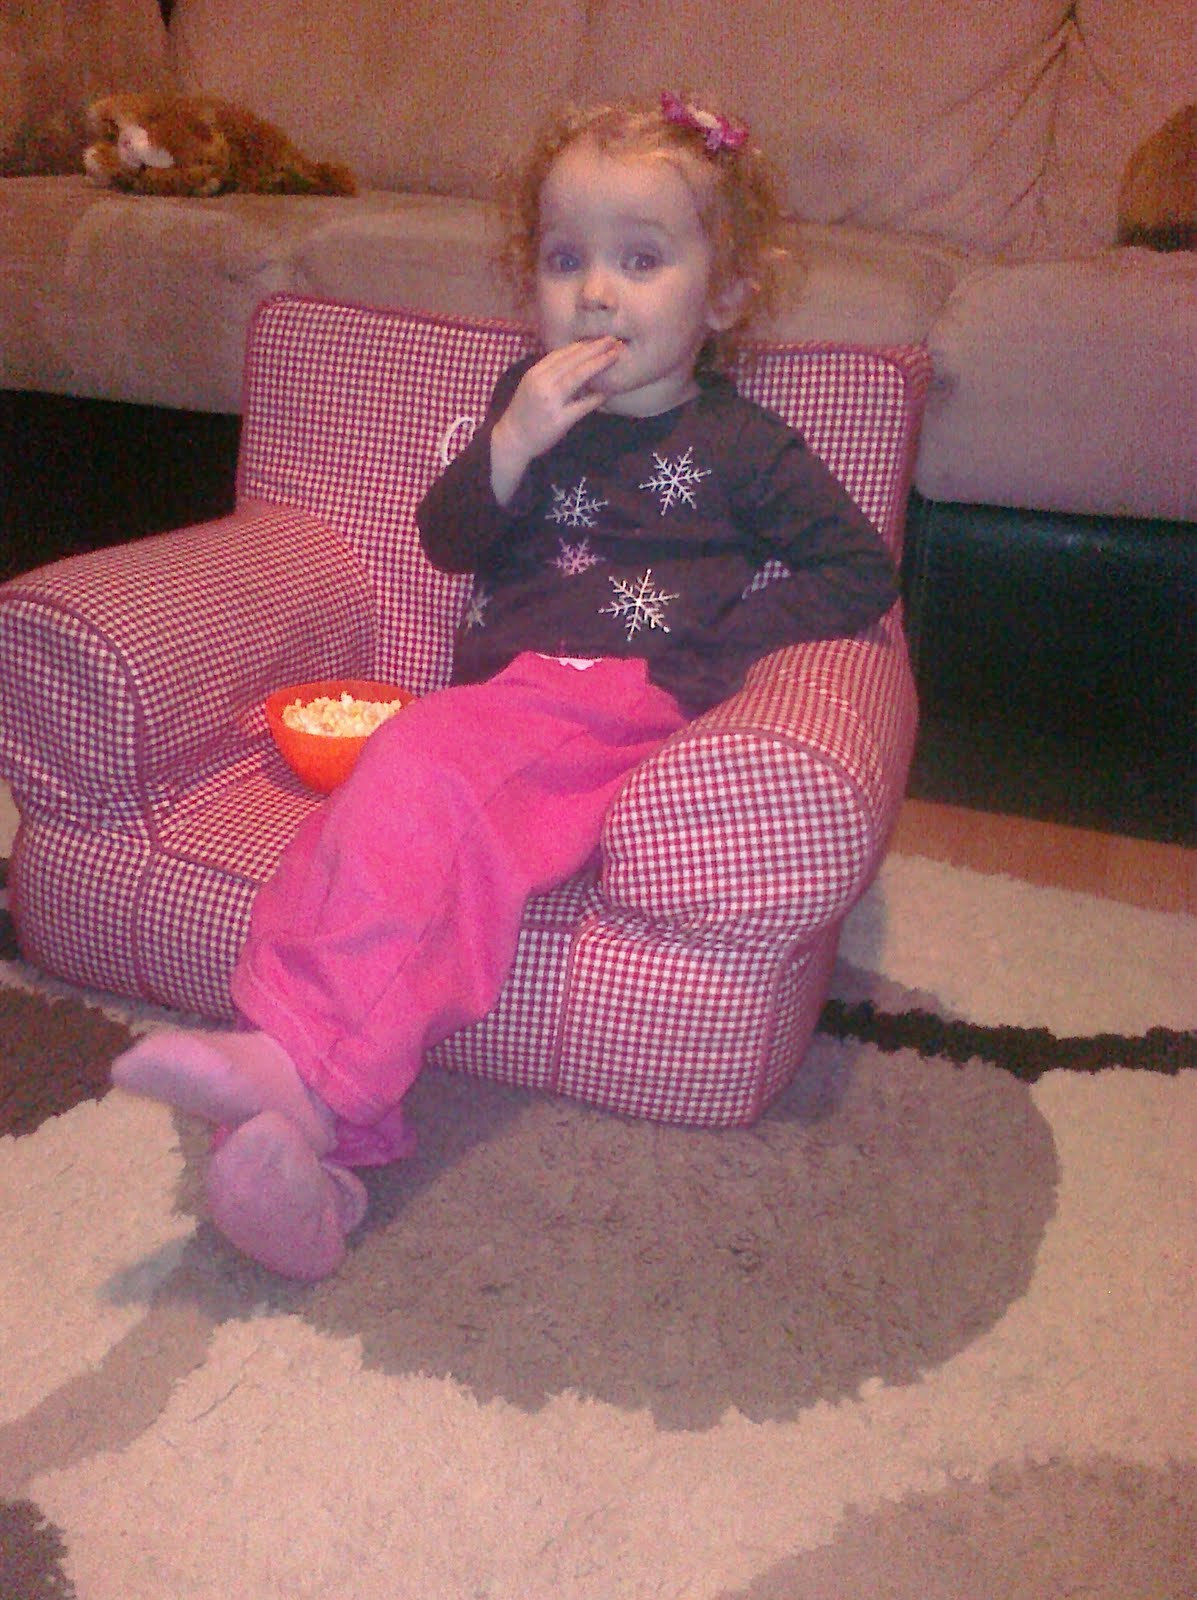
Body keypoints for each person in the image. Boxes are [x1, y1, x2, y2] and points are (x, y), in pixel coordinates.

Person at [111, 92, 898, 1281]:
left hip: (609, 703)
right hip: (497, 707)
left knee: (421, 777)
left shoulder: (745, 447)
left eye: (642, 260)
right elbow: (447, 540)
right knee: (351, 833)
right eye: (565, 259)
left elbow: (859, 570)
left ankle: (294, 1078)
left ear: (727, 292)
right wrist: (512, 443)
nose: (597, 294)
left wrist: (713, 655)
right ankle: (303, 1148)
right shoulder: (525, 403)